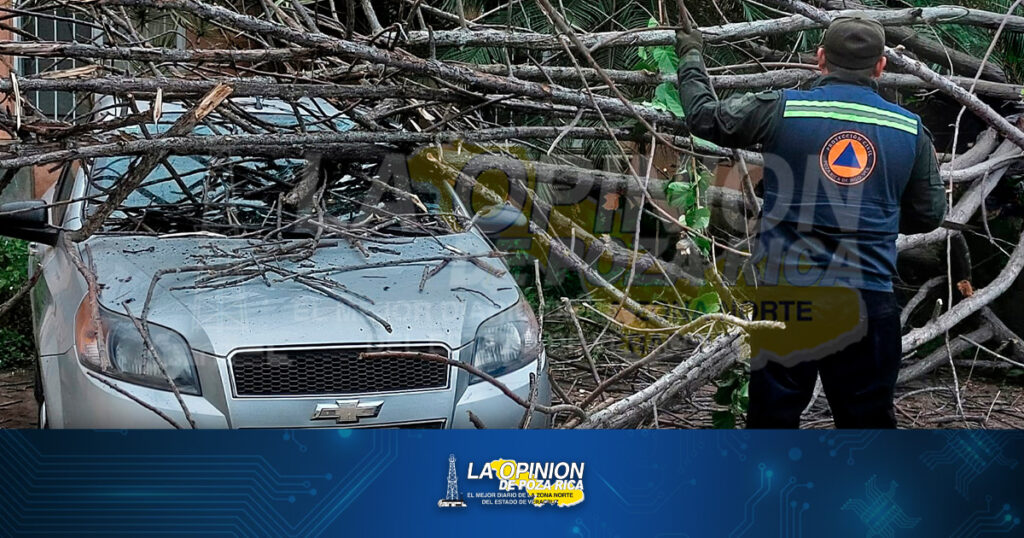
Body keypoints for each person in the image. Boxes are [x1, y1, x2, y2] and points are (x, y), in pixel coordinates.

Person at [674, 17, 946, 428]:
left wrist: (691, 55)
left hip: (787, 297)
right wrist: (875, 214)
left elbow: (705, 118)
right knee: (868, 429)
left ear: (820, 59)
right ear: (880, 66)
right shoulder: (909, 129)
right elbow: (930, 214)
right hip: (867, 300)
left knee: (771, 423)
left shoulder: (783, 108)